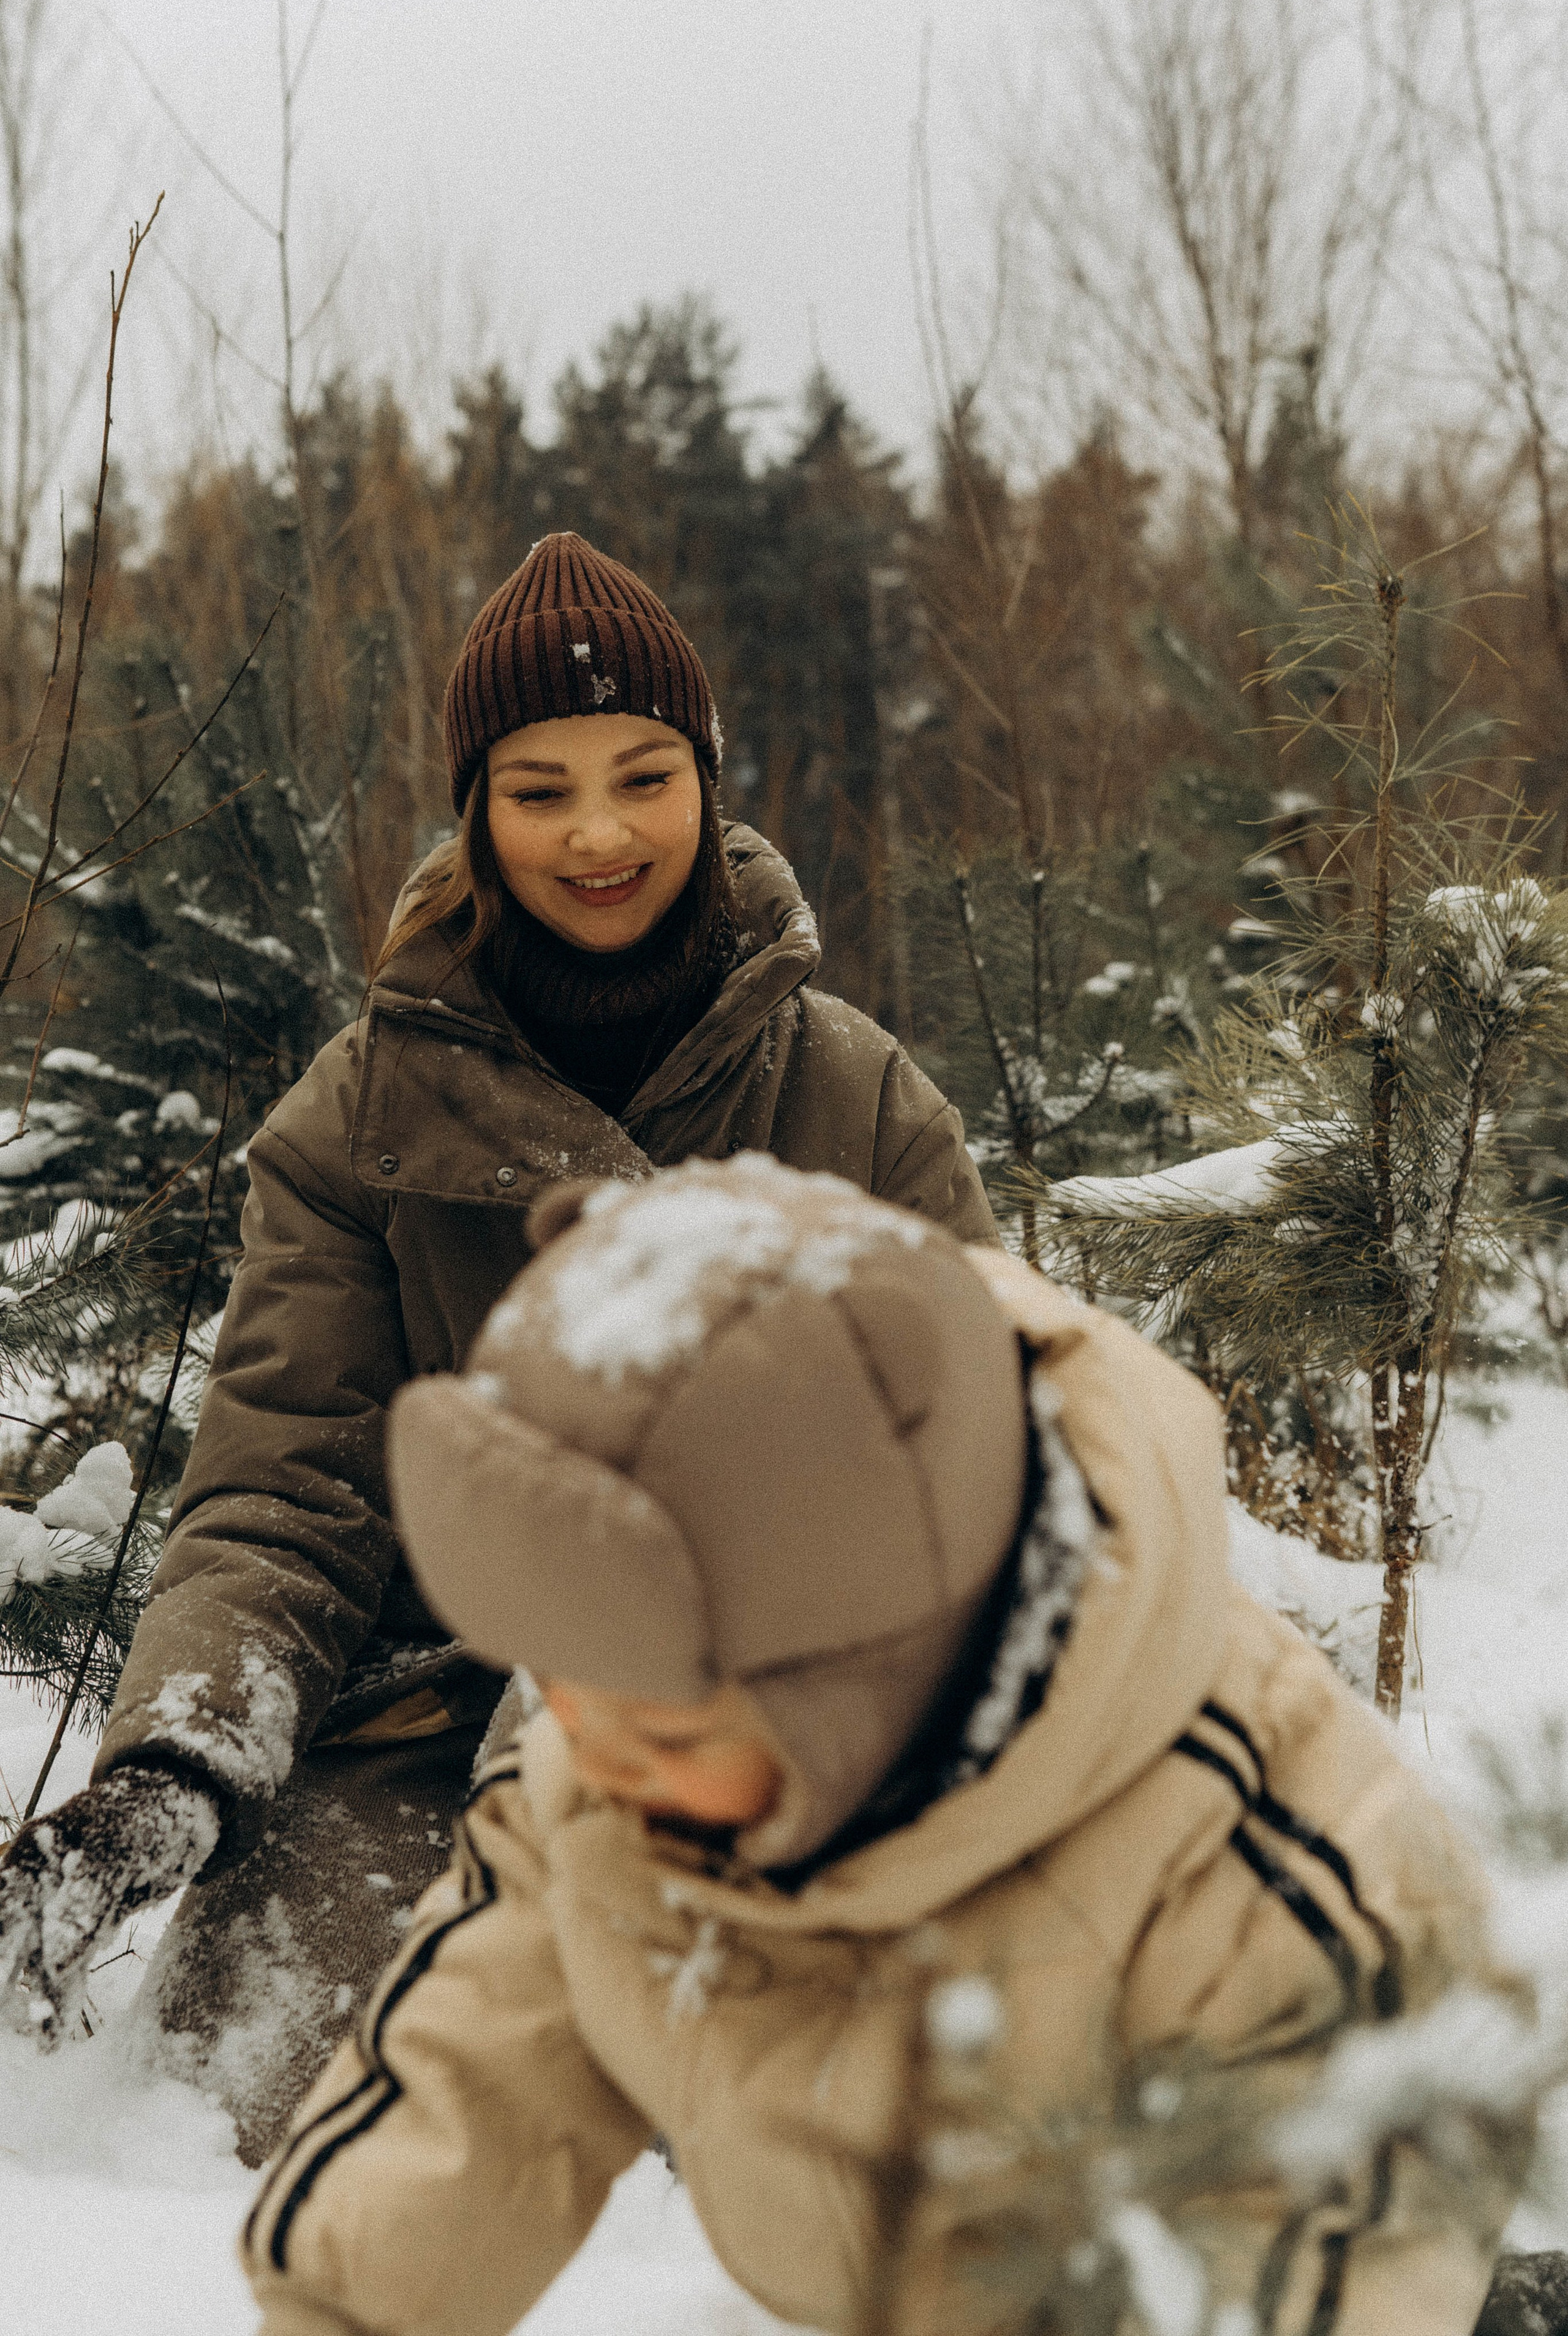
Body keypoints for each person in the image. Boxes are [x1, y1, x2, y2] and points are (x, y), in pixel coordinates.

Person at [0, 535, 997, 2163]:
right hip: (410, 1740)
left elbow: (997, 1467)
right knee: (251, 2140)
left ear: (707, 781)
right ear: (476, 810)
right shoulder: (354, 1125)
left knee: (823, 2142)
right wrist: (172, 1764)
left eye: (642, 777)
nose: (598, 835)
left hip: (782, 1728)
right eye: (539, 791)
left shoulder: (860, 1103)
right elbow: (283, 1492)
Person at [243, 1155, 1529, 2336]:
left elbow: (1311, 2257)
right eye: (559, 1691)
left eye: (664, 1724)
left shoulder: (1261, 1891)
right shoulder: (620, 1775)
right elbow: (470, 2070)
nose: (582, 1747)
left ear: (860, 1698)